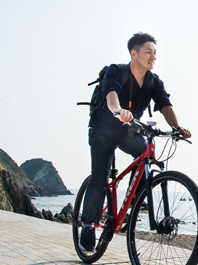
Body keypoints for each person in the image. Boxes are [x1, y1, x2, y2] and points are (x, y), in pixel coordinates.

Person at [79, 32, 191, 252]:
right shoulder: (116, 71)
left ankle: (131, 205)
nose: (153, 57)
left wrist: (176, 128)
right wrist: (118, 111)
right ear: (134, 53)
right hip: (103, 129)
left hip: (129, 131)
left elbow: (165, 104)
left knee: (147, 154)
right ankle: (88, 226)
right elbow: (111, 95)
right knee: (99, 178)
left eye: (155, 53)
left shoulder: (153, 81)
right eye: (148, 52)